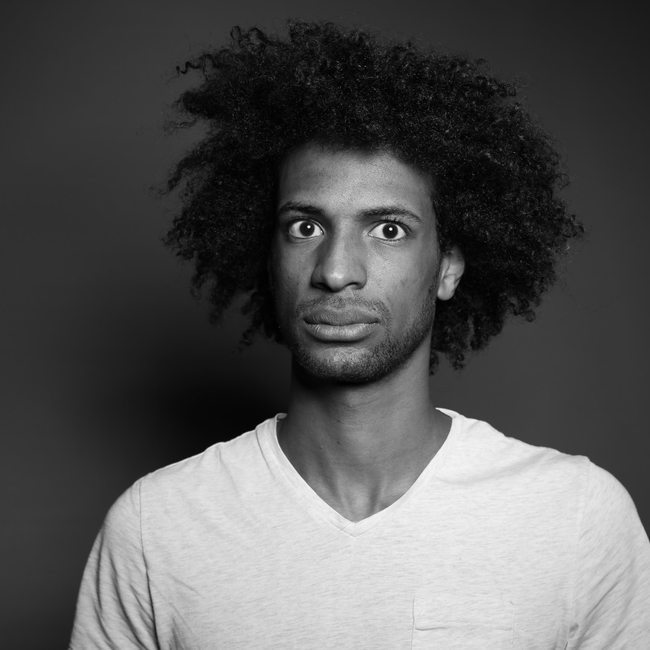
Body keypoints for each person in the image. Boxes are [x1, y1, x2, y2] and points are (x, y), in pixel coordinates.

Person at [69, 20, 650, 649]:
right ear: (268, 257)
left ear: (448, 268)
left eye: (388, 230)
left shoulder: (575, 517)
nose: (336, 271)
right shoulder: (155, 528)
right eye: (306, 227)